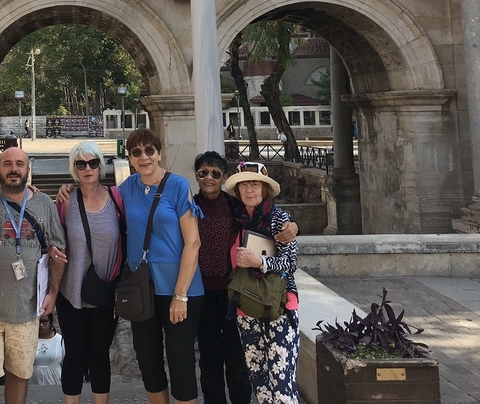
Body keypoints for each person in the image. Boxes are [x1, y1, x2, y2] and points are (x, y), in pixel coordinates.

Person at [0, 147, 67, 404]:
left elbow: (59, 251)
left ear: (28, 170)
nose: (14, 169)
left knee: (19, 376)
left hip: (26, 311)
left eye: (20, 164)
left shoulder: (44, 203)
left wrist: (52, 294)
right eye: (7, 164)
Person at [193, 152, 298, 404]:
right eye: (203, 173)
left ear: (223, 177)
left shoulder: (237, 208)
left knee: (241, 360)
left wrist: (293, 226)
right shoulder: (192, 206)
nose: (209, 178)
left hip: (243, 295)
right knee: (212, 357)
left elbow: (289, 256)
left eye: (215, 173)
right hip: (205, 292)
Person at [119, 129, 203, 404]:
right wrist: (67, 191)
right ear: (130, 157)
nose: (143, 157)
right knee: (147, 359)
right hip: (142, 287)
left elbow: (193, 243)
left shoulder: (178, 186)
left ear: (159, 153)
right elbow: (96, 201)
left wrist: (180, 295)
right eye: (136, 152)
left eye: (149, 151)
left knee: (181, 360)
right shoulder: (127, 188)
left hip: (179, 285)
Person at [54, 141, 124, 404]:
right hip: (71, 292)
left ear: (101, 166)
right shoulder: (65, 201)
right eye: (81, 164)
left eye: (93, 163)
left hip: (104, 291)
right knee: (75, 354)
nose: (87, 169)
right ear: (74, 169)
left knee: (100, 355)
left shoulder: (116, 198)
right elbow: (53, 237)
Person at [225, 161, 299, 404]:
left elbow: (291, 262)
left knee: (282, 385)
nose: (249, 190)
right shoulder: (235, 220)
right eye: (244, 184)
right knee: (260, 382)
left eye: (255, 184)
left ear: (264, 189)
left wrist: (260, 262)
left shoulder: (278, 219)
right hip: (246, 307)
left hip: (278, 307)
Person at [29, 314, 64, 385]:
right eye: (38, 322)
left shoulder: (59, 340)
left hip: (55, 385)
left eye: (44, 321)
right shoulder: (28, 341)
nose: (41, 325)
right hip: (32, 386)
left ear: (50, 322)